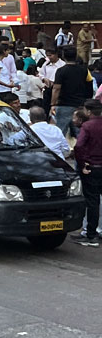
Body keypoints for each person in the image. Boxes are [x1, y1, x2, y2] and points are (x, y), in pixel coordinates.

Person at [72, 98, 102, 247]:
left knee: (92, 201)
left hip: (92, 167)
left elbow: (79, 146)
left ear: (88, 111)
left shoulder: (88, 126)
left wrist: (83, 163)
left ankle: (91, 233)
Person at [52, 47, 92, 138]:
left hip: (64, 104)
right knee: (80, 132)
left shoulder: (61, 71)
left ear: (63, 56)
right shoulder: (84, 70)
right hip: (80, 104)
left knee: (61, 131)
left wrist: (53, 104)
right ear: (76, 55)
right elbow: (89, 85)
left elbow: (56, 88)